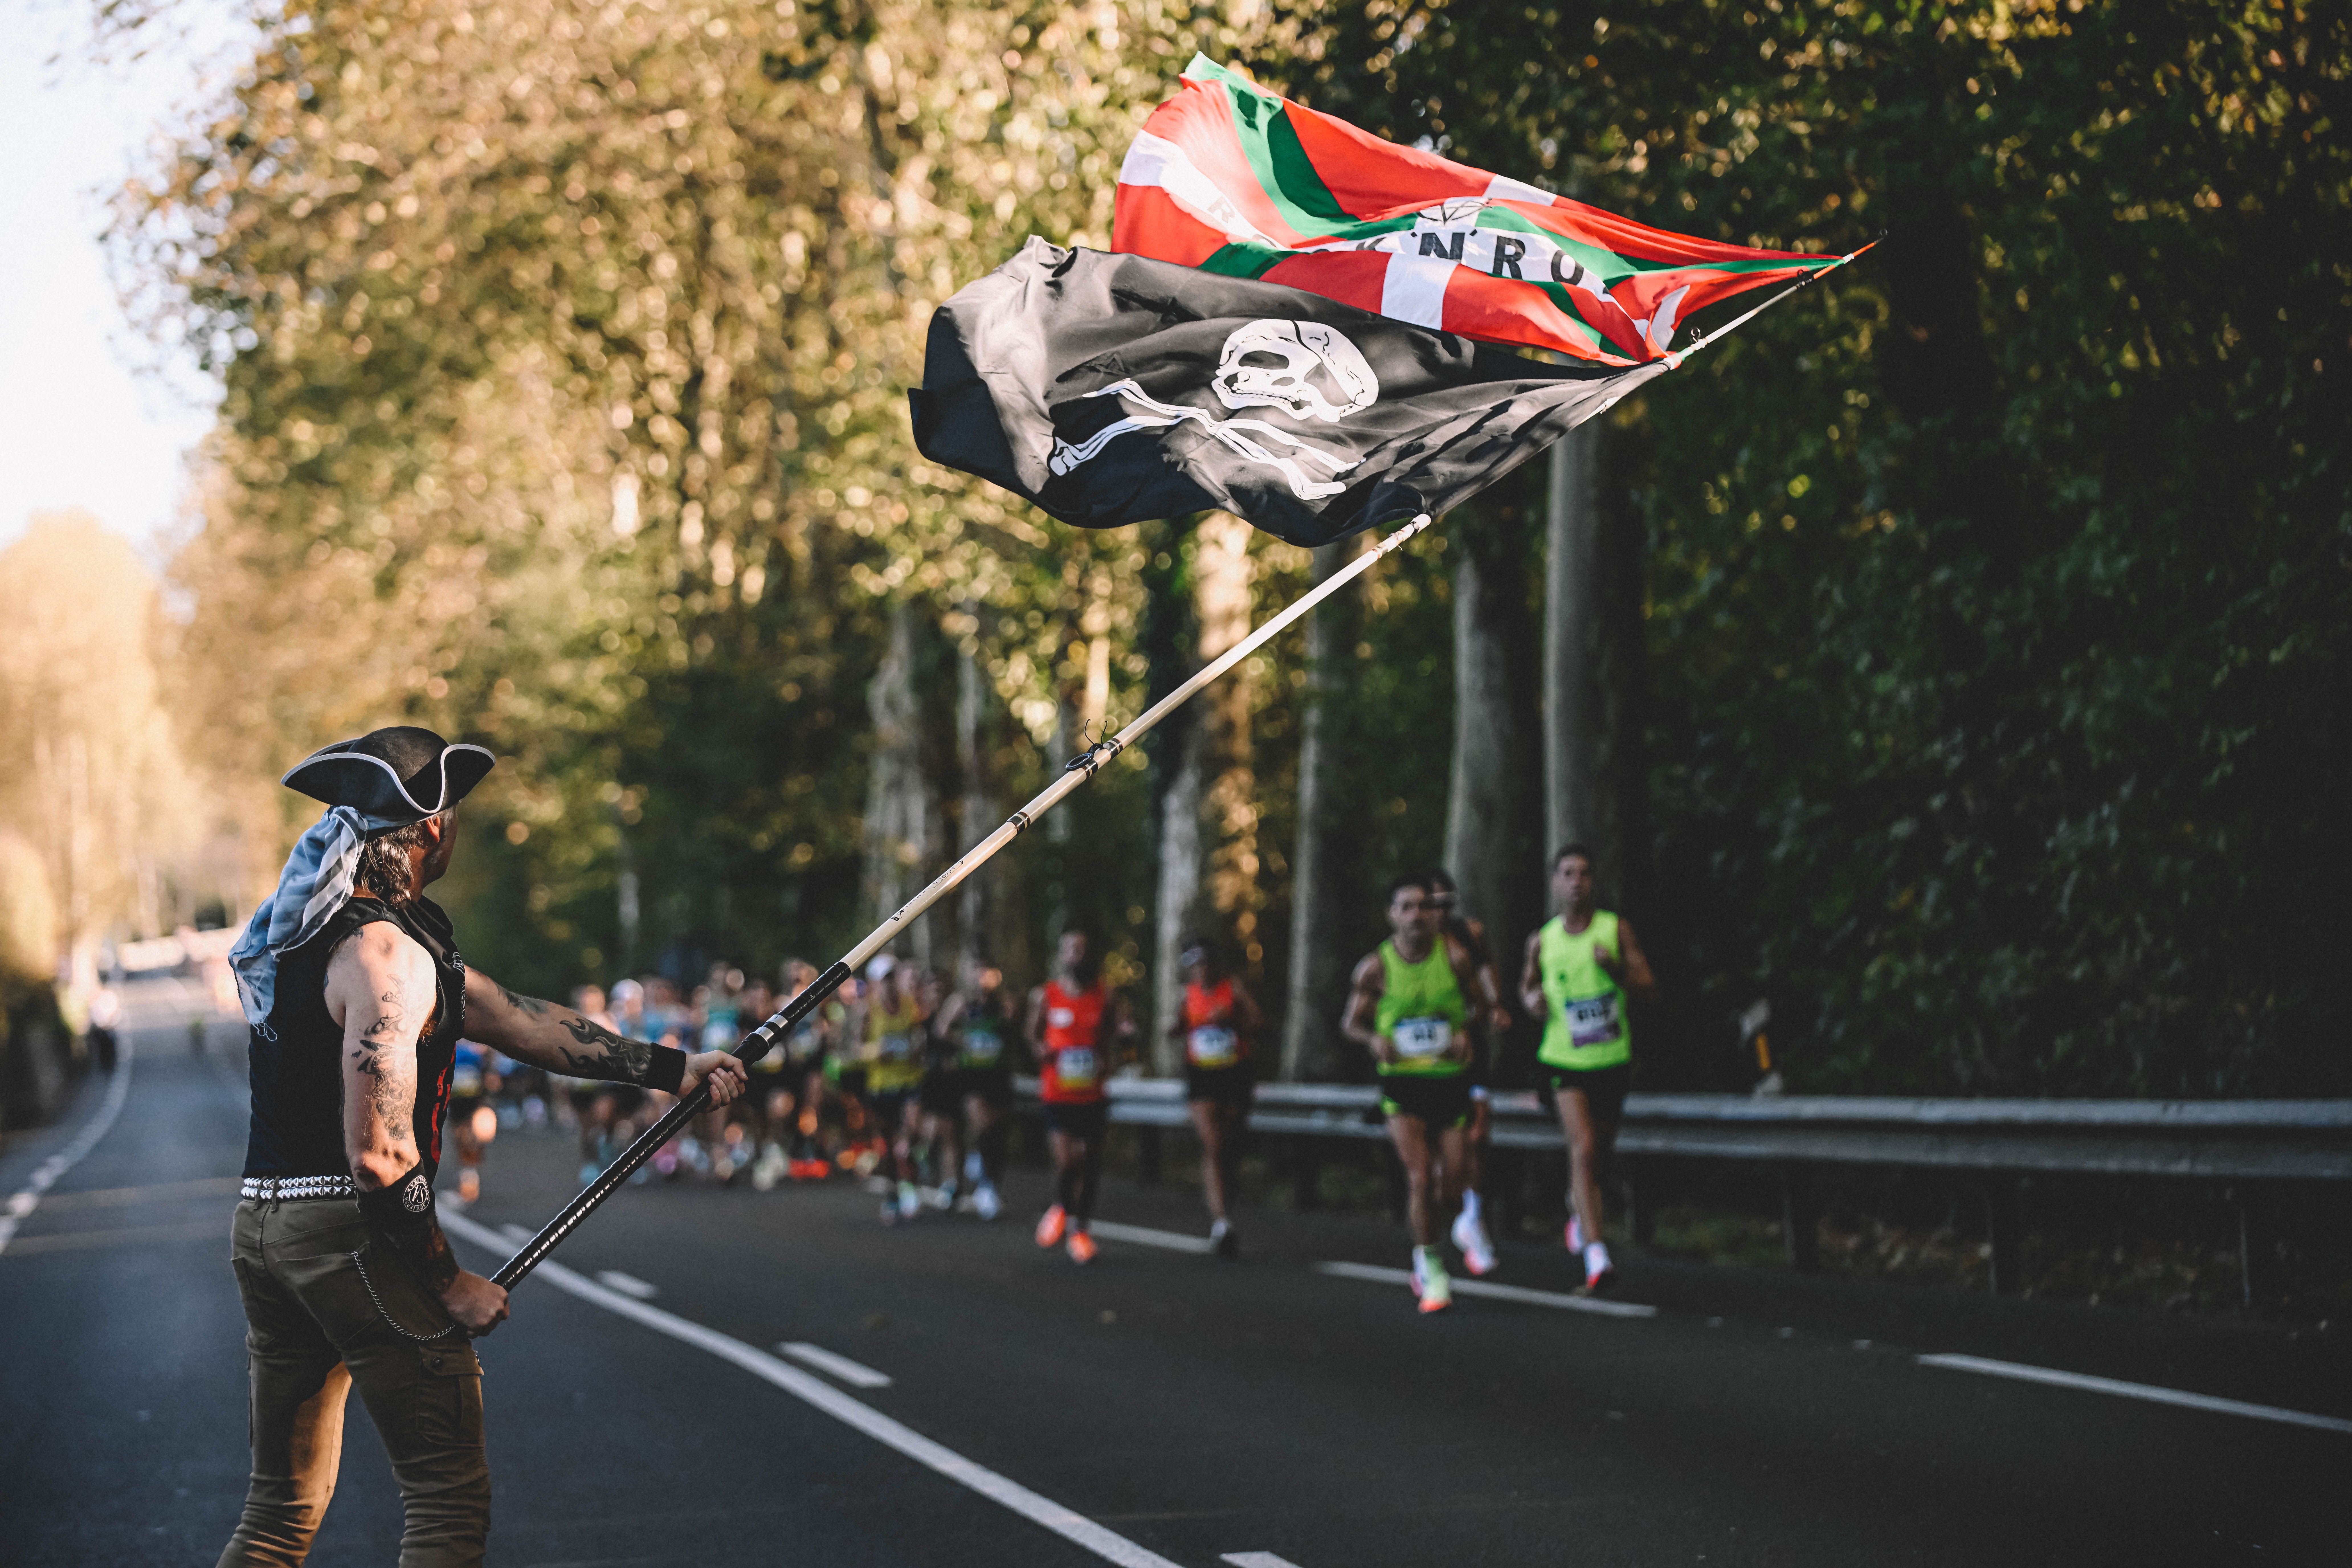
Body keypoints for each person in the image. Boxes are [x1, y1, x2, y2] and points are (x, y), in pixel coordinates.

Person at [219, 726, 746, 1566]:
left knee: (278, 1513)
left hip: (263, 1229)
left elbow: (521, 1020)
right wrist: (448, 1281)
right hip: (352, 1237)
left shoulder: (314, 935)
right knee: (445, 1503)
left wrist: (673, 1069)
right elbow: (379, 1154)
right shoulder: (385, 956)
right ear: (433, 826)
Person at [1342, 874, 1487, 1312]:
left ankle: (1439, 1234)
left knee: (1452, 1185)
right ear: (1392, 915)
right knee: (1420, 1176)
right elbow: (1351, 1024)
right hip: (1402, 1083)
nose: (1416, 915)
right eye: (1405, 907)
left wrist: (1465, 1032)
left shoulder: (1455, 957)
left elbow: (1480, 1005)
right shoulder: (1376, 968)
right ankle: (1430, 1264)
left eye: (1423, 906)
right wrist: (1374, 1040)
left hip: (1448, 1080)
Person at [1520, 843, 1655, 1292]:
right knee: (1584, 1148)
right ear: (1555, 883)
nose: (1576, 882)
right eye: (1568, 874)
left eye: (1583, 874)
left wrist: (1614, 969)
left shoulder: (1614, 930)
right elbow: (1527, 986)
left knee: (1599, 1155)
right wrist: (1532, 1000)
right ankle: (1597, 1258)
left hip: (1611, 1059)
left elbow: (1646, 984)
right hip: (1563, 1059)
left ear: (1593, 882)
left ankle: (1578, 1204)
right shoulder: (1543, 940)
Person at [1026, 928, 1136, 1263]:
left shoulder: (1106, 994)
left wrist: (1125, 1037)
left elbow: (1122, 1028)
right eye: (1072, 949)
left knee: (1089, 1160)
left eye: (1083, 949)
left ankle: (1080, 1230)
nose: (1078, 955)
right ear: (1063, 955)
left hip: (1092, 1093)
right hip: (1057, 1092)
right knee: (1067, 1160)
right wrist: (1042, 1050)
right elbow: (1032, 1034)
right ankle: (1062, 1205)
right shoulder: (1047, 995)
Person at [1426, 869, 1506, 1275]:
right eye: (1433, 904)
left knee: (1478, 1132)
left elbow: (1487, 975)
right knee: (1441, 1154)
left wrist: (1495, 1006)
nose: (1440, 912)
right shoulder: (1410, 946)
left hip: (1469, 1051)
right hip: (1425, 1062)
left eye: (1447, 904)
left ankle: (1473, 1218)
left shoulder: (1469, 935)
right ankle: (1437, 1230)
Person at [1171, 936, 1261, 1257]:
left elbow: (1258, 1021)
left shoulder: (1232, 988)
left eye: (1206, 963)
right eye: (1196, 965)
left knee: (1231, 1146)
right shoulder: (1187, 995)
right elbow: (1175, 1028)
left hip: (1234, 1074)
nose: (1202, 970)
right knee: (1213, 1144)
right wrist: (1176, 1025)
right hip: (1202, 1076)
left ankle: (1226, 1202)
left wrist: (1231, 1018)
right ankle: (1221, 1222)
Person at [931, 955, 1013, 1219]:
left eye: (987, 973)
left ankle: (989, 1183)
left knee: (996, 1129)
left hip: (998, 1075)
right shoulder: (961, 1002)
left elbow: (1013, 1031)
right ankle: (976, 1168)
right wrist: (963, 1040)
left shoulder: (1002, 1003)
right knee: (981, 1121)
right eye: (977, 973)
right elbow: (941, 1030)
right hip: (970, 1076)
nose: (982, 979)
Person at [850, 954, 927, 1221]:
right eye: (885, 979)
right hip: (881, 1085)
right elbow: (856, 1048)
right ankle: (894, 1193)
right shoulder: (868, 1011)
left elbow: (919, 1036)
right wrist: (876, 1052)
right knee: (889, 1144)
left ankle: (910, 1184)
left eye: (893, 977)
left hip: (910, 1080)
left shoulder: (911, 1005)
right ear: (875, 983)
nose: (891, 984)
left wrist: (917, 1047)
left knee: (911, 1134)